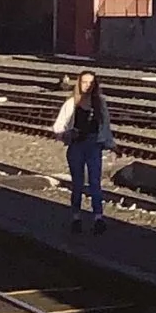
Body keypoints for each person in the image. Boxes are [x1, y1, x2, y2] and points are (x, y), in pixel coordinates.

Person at [51, 71, 113, 222]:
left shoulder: (100, 103)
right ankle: (76, 216)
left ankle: (98, 216)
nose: (87, 86)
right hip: (77, 146)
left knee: (95, 182)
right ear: (79, 83)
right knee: (77, 183)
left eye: (91, 83)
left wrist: (111, 145)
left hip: (94, 146)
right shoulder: (71, 103)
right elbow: (58, 126)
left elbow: (106, 126)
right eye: (84, 82)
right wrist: (68, 134)